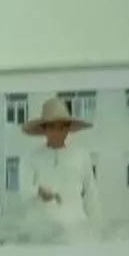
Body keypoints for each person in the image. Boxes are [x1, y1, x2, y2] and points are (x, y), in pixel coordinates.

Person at [20, 93, 98, 235]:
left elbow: (90, 194)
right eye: (52, 127)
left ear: (68, 129)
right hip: (41, 230)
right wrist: (38, 191)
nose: (58, 132)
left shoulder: (81, 156)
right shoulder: (32, 157)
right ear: (44, 129)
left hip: (75, 228)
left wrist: (94, 226)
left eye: (63, 127)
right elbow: (24, 190)